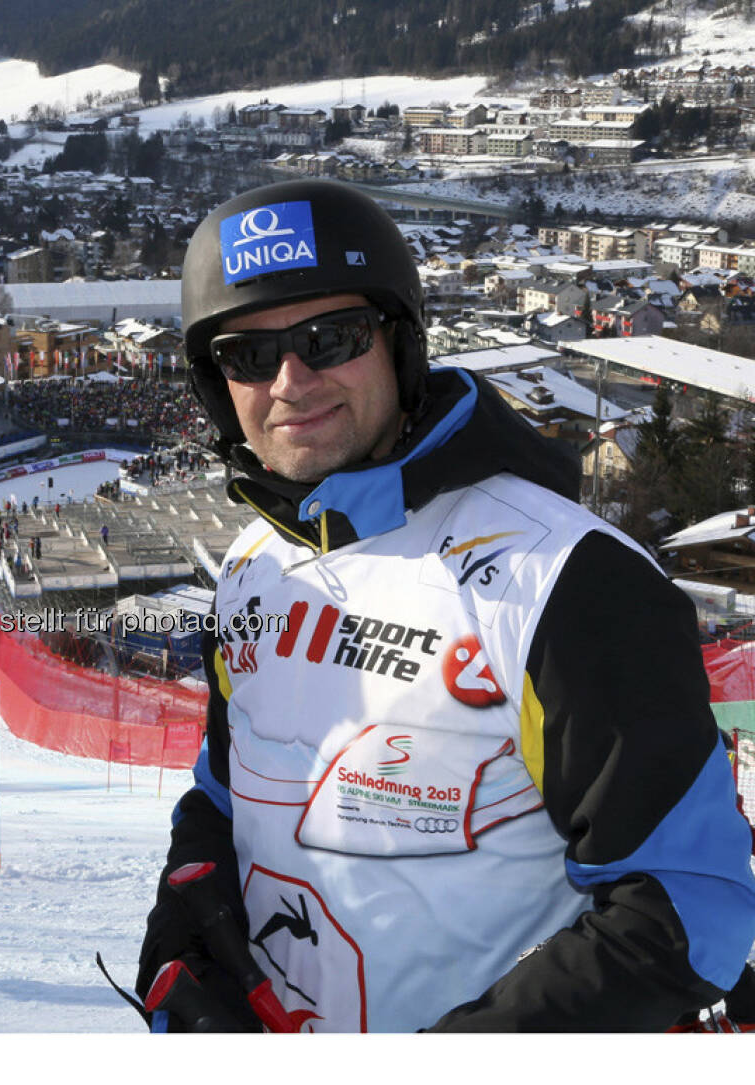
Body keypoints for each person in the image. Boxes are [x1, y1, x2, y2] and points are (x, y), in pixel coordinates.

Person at [135, 179, 755, 1033]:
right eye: (248, 354)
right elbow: (220, 793)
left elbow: (692, 908)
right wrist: (180, 935)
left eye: (331, 338)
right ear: (217, 386)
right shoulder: (252, 568)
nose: (291, 381)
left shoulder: (566, 578)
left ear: (399, 344)